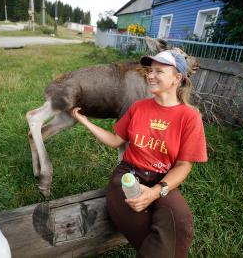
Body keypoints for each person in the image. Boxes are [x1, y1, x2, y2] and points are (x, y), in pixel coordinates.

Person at [72, 50, 208, 258]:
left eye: (159, 71)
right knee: (144, 228)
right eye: (150, 70)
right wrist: (86, 122)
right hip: (128, 177)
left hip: (164, 179)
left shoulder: (190, 117)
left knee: (181, 221)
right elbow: (115, 140)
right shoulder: (138, 108)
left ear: (177, 78)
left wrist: (156, 192)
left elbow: (183, 165)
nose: (150, 76)